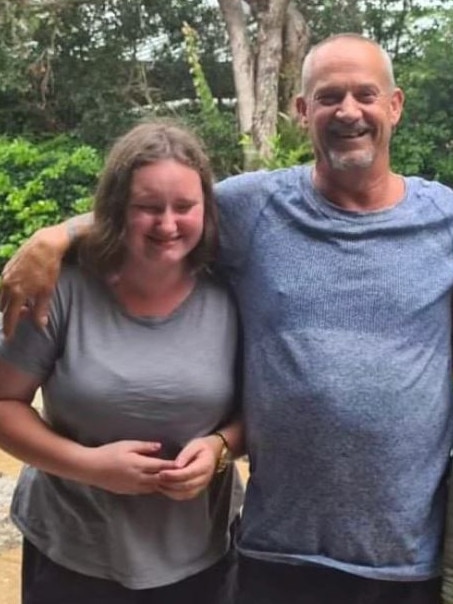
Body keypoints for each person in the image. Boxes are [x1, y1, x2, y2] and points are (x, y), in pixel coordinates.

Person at [1, 33, 452, 604]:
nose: (348, 111)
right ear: (301, 110)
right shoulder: (255, 206)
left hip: (403, 558)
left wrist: (217, 445)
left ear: (395, 105)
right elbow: (162, 202)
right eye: (329, 95)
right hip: (275, 549)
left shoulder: (445, 223)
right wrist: (55, 236)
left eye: (366, 94)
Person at [0, 120, 244, 604]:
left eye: (184, 206)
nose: (168, 224)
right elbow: (5, 402)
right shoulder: (59, 286)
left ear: (206, 208)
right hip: (72, 551)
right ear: (115, 208)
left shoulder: (233, 289)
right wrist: (88, 466)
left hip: (200, 554)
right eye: (147, 207)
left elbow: (262, 407)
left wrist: (220, 447)